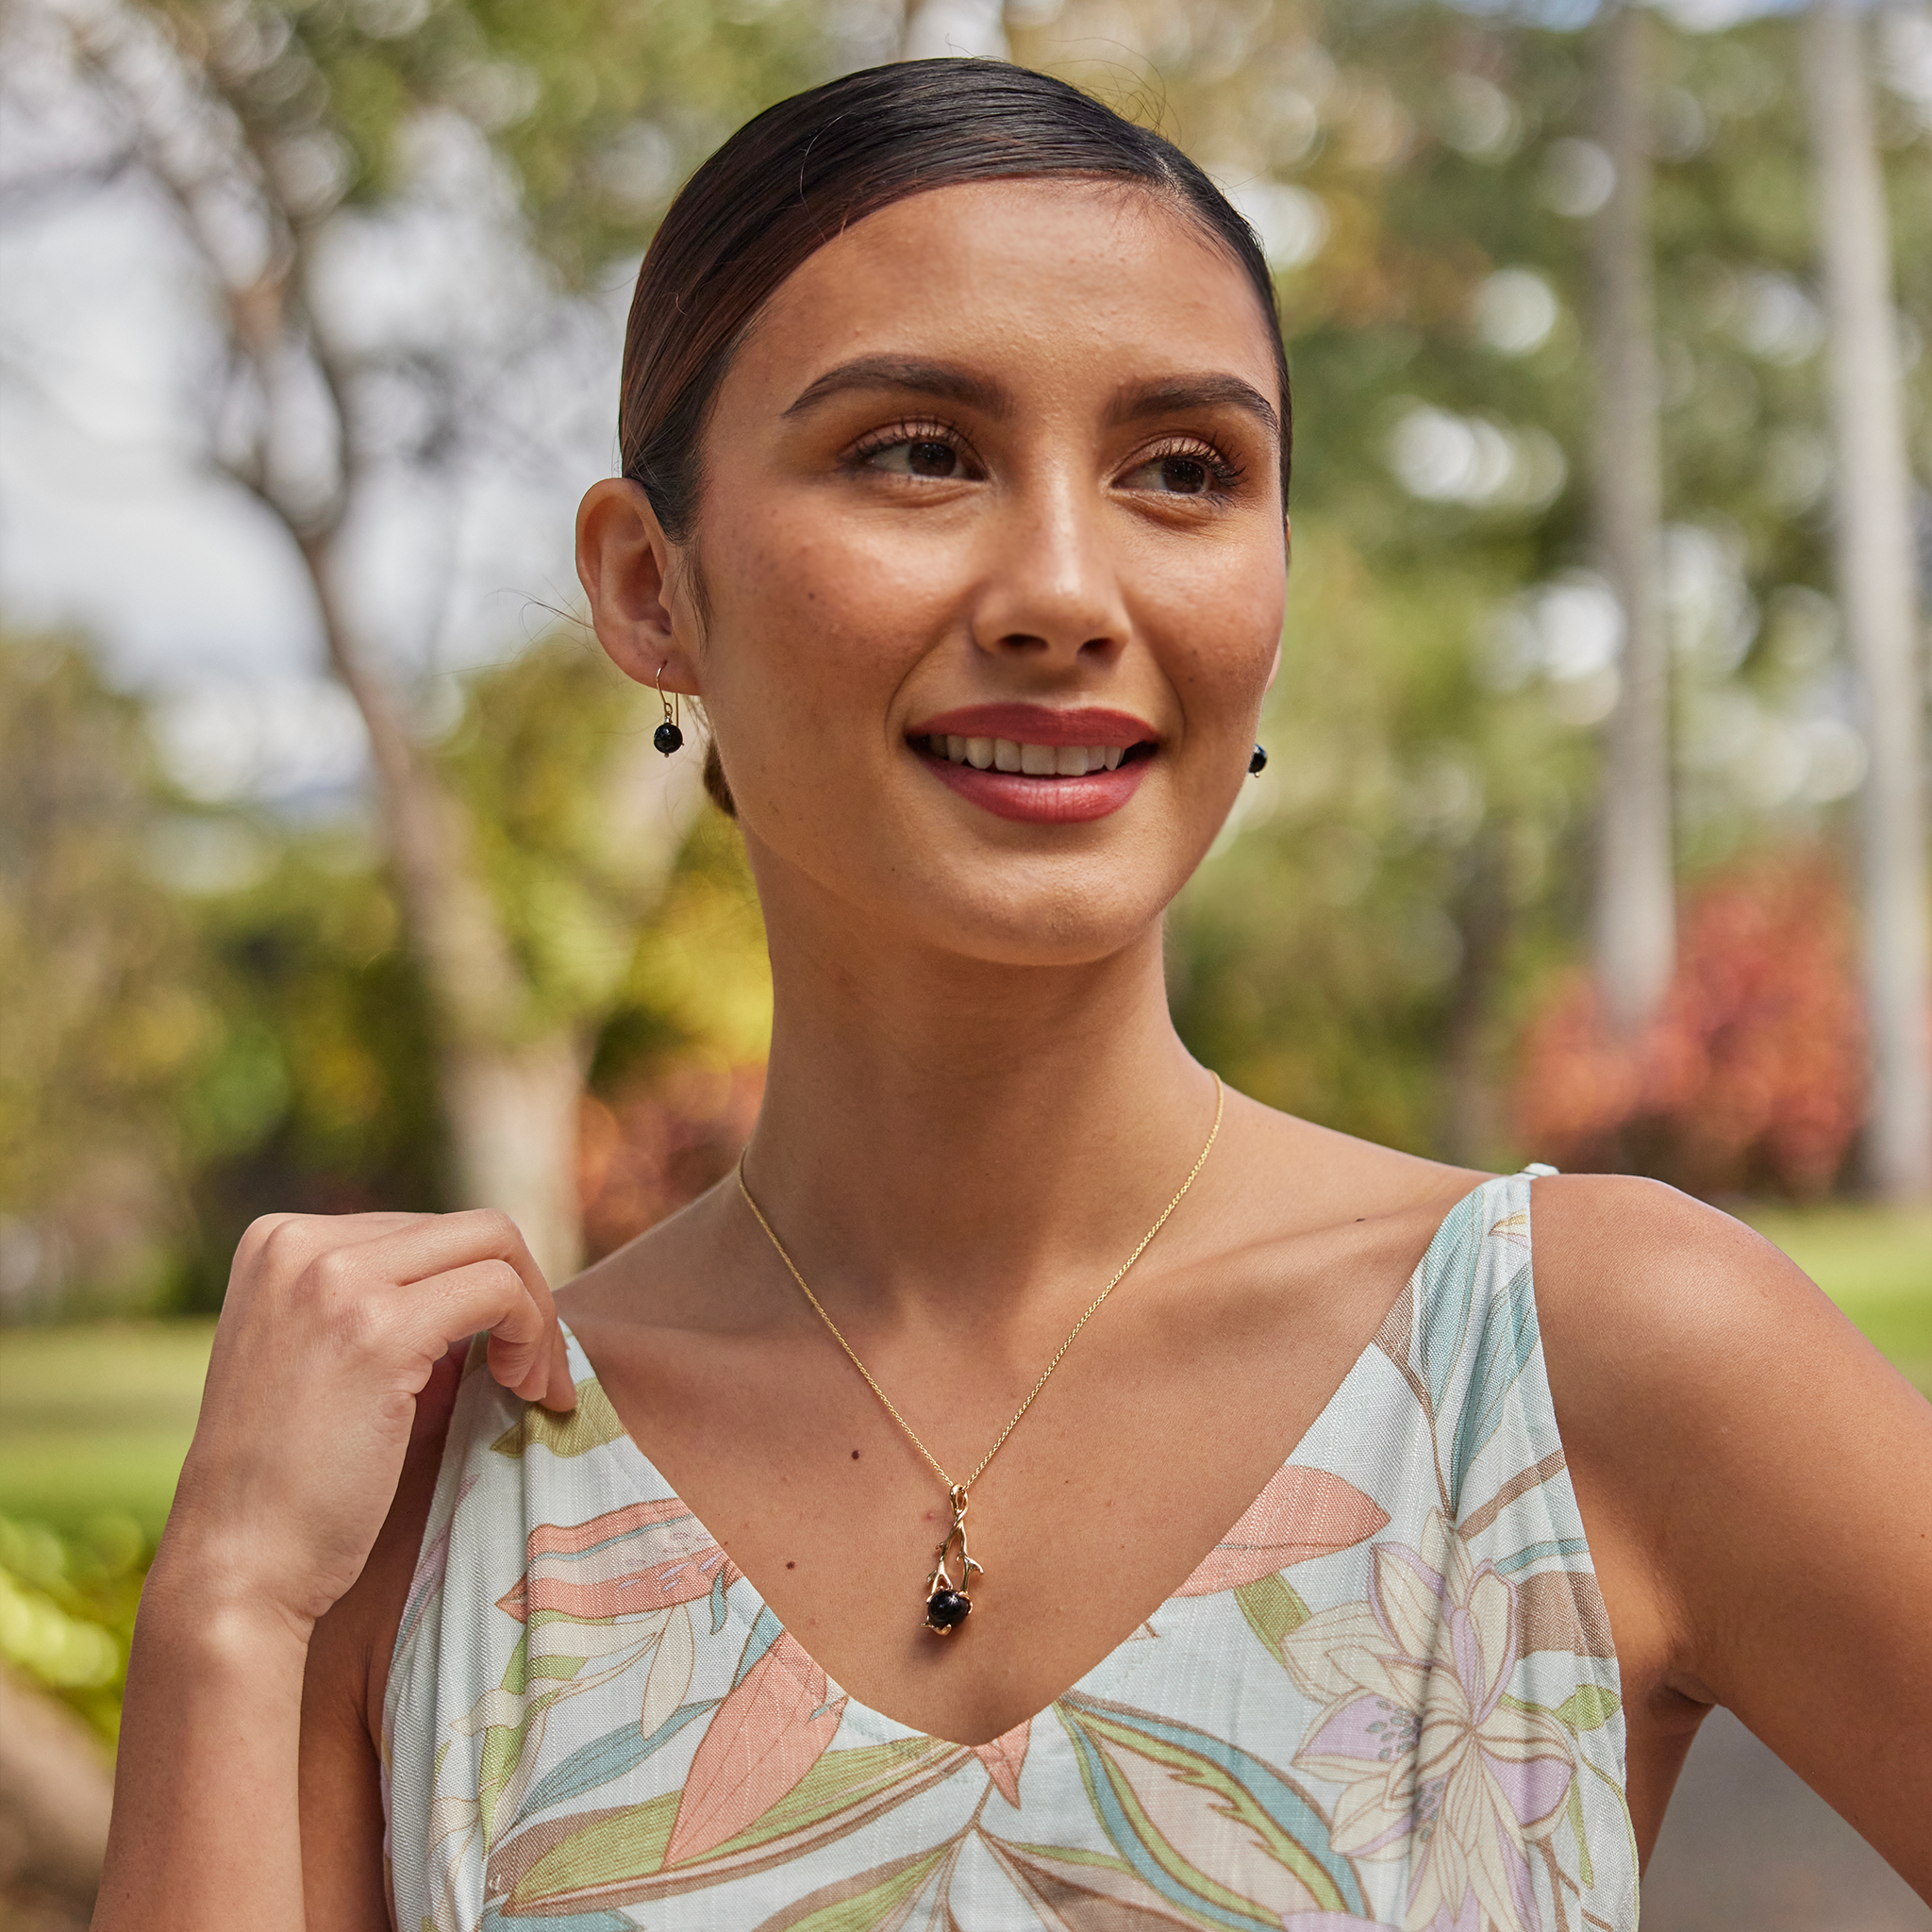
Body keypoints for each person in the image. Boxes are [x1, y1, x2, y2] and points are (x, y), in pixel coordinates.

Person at [96, 58, 1930, 1931]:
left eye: (1183, 471)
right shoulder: (421, 1510)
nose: (1063, 586)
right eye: (916, 449)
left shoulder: (1577, 1359)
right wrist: (228, 1602)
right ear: (650, 586)